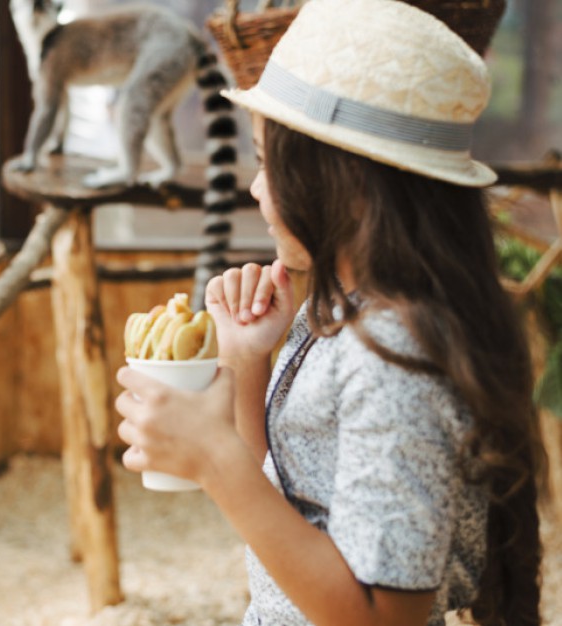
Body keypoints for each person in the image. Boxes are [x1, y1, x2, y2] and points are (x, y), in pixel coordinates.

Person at [114, 0, 544, 624]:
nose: (256, 188)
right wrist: (245, 357)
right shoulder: (343, 311)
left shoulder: (398, 355)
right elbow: (288, 489)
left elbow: (383, 614)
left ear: (346, 183)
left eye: (268, 163)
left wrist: (213, 458)